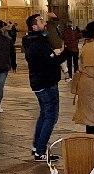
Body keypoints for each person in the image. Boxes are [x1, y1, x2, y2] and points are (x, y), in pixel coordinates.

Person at [22, 13, 63, 161]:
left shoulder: (34, 40)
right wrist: (65, 54)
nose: (44, 22)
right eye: (41, 21)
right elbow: (51, 61)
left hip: (39, 83)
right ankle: (40, 151)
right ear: (34, 26)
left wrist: (53, 21)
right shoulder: (38, 43)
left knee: (44, 115)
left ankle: (36, 146)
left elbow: (54, 35)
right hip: (46, 83)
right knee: (51, 117)